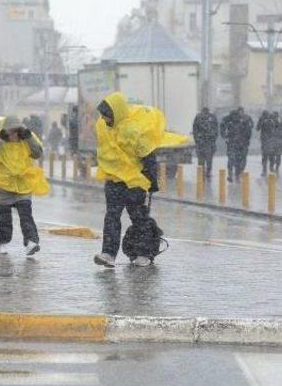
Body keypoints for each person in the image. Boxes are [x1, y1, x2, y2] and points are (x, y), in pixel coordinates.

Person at [93, 92, 186, 268]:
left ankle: (143, 253)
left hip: (134, 183)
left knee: (138, 217)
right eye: (103, 115)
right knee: (111, 217)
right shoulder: (104, 128)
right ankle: (108, 254)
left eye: (107, 115)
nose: (104, 119)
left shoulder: (133, 131)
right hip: (114, 180)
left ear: (117, 113)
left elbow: (148, 155)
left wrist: (152, 181)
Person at [0, 116, 49, 256]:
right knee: (3, 217)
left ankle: (31, 242)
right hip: (3, 185)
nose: (14, 135)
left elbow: (37, 153)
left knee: (26, 215)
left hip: (23, 185)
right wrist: (0, 140)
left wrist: (28, 137)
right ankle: (4, 242)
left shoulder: (27, 138)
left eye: (16, 132)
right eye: (10, 132)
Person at [192, 107, 218, 178]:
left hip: (201, 143)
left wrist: (197, 140)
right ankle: (208, 172)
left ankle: (202, 173)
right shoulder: (212, 117)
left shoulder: (198, 117)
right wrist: (213, 140)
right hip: (208, 143)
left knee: (201, 160)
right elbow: (216, 130)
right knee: (209, 159)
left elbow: (195, 130)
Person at [220, 109, 244, 182]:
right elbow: (246, 131)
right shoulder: (240, 120)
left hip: (234, 142)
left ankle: (232, 174)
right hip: (236, 142)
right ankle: (235, 175)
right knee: (237, 159)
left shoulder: (228, 120)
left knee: (233, 159)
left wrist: (225, 137)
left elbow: (222, 129)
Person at [257, 111, 277, 176]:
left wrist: (260, 120)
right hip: (271, 140)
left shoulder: (263, 120)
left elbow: (257, 128)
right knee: (272, 155)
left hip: (265, 141)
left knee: (265, 156)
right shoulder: (272, 120)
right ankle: (271, 168)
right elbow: (277, 129)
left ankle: (264, 170)